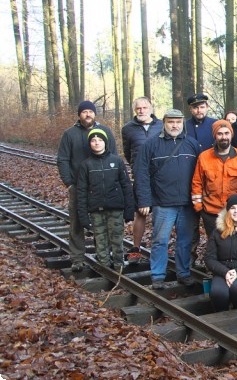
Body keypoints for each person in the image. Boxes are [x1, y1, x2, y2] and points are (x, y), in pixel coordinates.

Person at [134, 109, 201, 289]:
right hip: (162, 203)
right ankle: (157, 276)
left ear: (183, 123)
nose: (175, 125)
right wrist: (144, 200)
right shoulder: (151, 145)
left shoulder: (192, 144)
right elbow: (141, 173)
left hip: (187, 204)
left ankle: (184, 273)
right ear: (164, 122)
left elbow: (200, 174)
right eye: (171, 122)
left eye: (178, 122)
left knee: (185, 241)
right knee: (160, 240)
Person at [57, 100, 117, 273]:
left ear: (95, 114)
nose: (88, 114)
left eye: (91, 111)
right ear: (79, 114)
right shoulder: (70, 134)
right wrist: (68, 183)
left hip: (101, 186)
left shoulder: (105, 131)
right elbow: (62, 159)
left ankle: (103, 254)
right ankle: (77, 258)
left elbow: (114, 156)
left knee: (103, 220)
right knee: (76, 222)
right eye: (84, 112)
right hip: (78, 186)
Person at [76, 129, 135, 271]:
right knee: (100, 239)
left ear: (105, 142)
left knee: (117, 238)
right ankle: (105, 266)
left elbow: (126, 185)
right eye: (94, 141)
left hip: (115, 207)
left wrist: (129, 209)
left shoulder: (116, 161)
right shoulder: (86, 165)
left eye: (100, 140)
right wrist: (83, 215)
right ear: (90, 144)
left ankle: (118, 264)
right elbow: (81, 191)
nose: (97, 143)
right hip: (96, 209)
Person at [192, 119, 237, 244]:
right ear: (215, 136)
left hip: (235, 211)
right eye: (220, 134)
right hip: (211, 212)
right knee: (215, 244)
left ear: (231, 135)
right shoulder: (204, 157)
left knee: (235, 245)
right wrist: (199, 207)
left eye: (226, 133)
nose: (223, 137)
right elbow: (197, 182)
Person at [121, 96, 163, 264]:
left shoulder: (161, 126)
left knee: (160, 211)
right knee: (141, 211)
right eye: (138, 108)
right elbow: (127, 152)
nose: (141, 111)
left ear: (151, 109)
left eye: (145, 107)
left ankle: (159, 246)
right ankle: (136, 247)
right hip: (140, 175)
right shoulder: (128, 129)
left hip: (160, 175)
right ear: (134, 110)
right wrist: (135, 167)